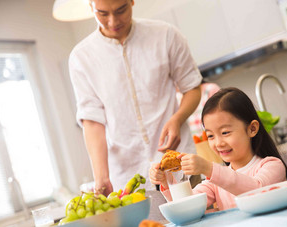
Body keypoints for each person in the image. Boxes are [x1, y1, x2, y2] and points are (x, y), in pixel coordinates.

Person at [69, 0, 202, 195]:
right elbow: (92, 121)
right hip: (128, 179)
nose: (113, 21)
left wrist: (177, 119)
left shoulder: (165, 35)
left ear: (132, 1)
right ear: (91, 7)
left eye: (120, 10)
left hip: (180, 165)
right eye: (103, 13)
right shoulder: (81, 57)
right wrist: (101, 176)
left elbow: (192, 87)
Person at [149, 87, 287, 211]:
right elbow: (186, 206)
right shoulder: (215, 182)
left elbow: (257, 191)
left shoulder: (272, 165)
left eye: (225, 133)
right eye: (210, 136)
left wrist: (209, 169)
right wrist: (167, 181)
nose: (218, 143)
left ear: (252, 129)